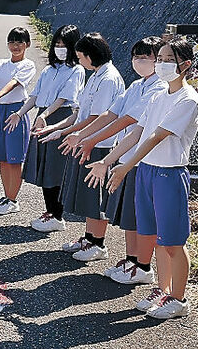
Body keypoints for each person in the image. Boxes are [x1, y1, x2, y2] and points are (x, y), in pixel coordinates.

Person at [85, 37, 198, 319]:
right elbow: (138, 131)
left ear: (184, 65)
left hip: (169, 174)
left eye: (167, 60)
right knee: (154, 237)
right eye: (159, 59)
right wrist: (108, 159)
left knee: (172, 242)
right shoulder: (159, 95)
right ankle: (162, 291)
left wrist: (126, 167)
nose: (161, 64)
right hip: (147, 171)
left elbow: (157, 136)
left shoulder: (188, 99)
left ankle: (179, 299)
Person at [61, 36, 167, 282]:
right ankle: (133, 260)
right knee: (129, 215)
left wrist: (91, 140)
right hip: (127, 155)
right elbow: (112, 113)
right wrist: (83, 136)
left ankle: (142, 266)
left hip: (143, 160)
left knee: (140, 216)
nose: (139, 62)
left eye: (147, 57)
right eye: (136, 56)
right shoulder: (137, 85)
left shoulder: (159, 88)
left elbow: (127, 120)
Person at [35, 32, 124, 262]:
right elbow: (79, 113)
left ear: (89, 55)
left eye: (80, 56)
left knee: (96, 195)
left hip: (101, 143)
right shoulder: (95, 75)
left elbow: (98, 117)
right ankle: (89, 237)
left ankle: (98, 243)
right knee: (87, 194)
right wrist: (59, 130)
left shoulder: (108, 78)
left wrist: (78, 135)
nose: (79, 61)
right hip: (89, 140)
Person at [16, 25, 84, 231]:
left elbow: (65, 97)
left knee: (56, 168)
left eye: (64, 45)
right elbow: (35, 95)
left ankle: (58, 215)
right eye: (57, 44)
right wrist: (20, 113)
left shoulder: (77, 69)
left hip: (59, 116)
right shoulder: (48, 69)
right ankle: (50, 211)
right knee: (44, 167)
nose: (59, 48)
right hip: (43, 116)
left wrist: (45, 116)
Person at [0, 27, 37, 214]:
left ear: (27, 44)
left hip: (16, 111)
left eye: (20, 42)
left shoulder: (28, 65)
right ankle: (7, 196)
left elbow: (14, 83)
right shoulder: (0, 63)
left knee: (14, 159)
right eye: (12, 42)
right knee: (2, 159)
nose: (15, 46)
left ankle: (13, 200)